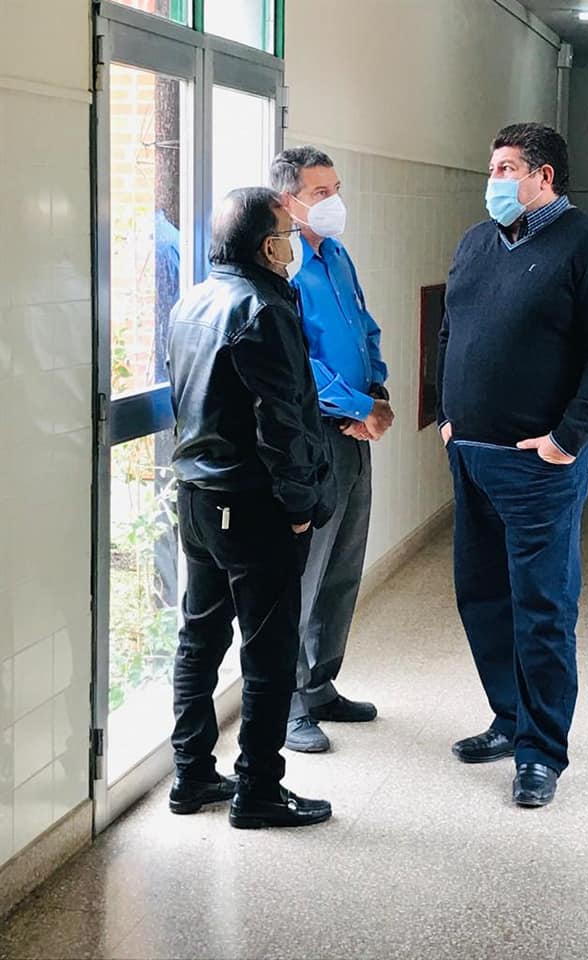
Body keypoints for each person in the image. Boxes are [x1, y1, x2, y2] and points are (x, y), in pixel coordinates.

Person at [437, 123, 588, 807]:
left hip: (539, 465)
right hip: (472, 456)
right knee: (482, 595)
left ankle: (541, 752)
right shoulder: (477, 242)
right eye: (492, 168)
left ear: (543, 175)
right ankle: (509, 717)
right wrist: (448, 417)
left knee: (542, 606)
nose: (492, 181)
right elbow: (451, 329)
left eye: (504, 169)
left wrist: (566, 439)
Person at [166, 187, 336, 828]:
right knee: (268, 652)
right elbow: (282, 423)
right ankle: (258, 790)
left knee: (199, 639)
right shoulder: (263, 309)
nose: (292, 246)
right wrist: (300, 505)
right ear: (268, 246)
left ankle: (191, 777)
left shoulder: (191, 301)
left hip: (197, 500)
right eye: (287, 235)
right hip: (253, 504)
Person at [269, 146, 394, 753]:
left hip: (356, 430)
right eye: (320, 193)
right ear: (288, 201)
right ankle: (288, 703)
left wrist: (378, 393)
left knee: (344, 562)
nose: (334, 202)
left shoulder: (337, 256)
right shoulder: (286, 269)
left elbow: (365, 330)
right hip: (316, 434)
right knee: (307, 570)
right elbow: (298, 364)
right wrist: (357, 406)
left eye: (336, 189)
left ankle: (320, 686)